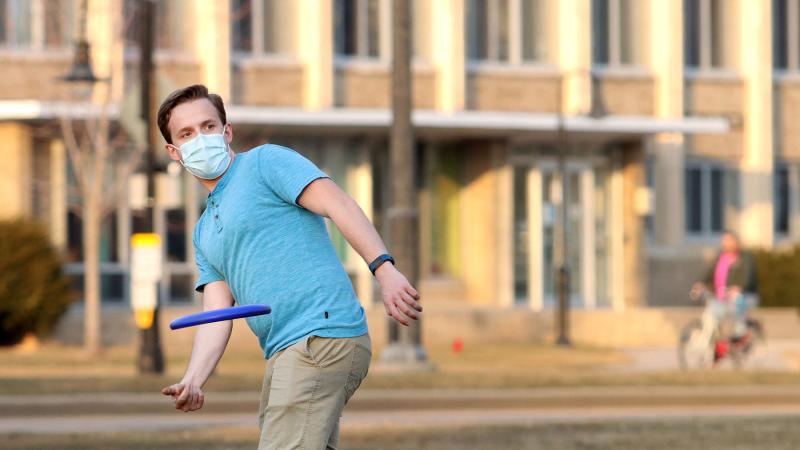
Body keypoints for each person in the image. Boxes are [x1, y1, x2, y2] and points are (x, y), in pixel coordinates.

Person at [157, 85, 422, 449]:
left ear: (227, 131)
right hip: (285, 350)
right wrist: (194, 378)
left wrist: (384, 269)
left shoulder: (266, 163)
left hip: (320, 335)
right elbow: (217, 313)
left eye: (208, 126)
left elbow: (339, 204)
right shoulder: (204, 232)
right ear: (174, 152)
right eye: (187, 134)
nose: (201, 139)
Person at [691, 231, 757, 339]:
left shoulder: (745, 257)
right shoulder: (721, 257)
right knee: (713, 312)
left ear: (735, 242)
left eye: (728, 240)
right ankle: (716, 340)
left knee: (737, 304)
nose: (725, 243)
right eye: (724, 241)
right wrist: (701, 284)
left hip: (744, 294)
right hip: (722, 294)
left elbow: (748, 276)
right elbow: (710, 273)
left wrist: (739, 287)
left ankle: (740, 332)